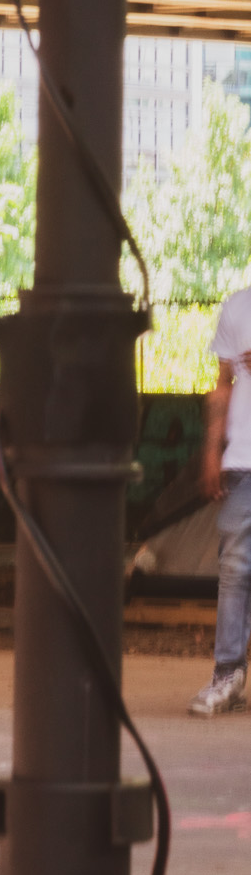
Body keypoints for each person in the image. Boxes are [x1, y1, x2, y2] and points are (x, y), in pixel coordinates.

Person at [191, 281, 251, 715]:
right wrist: (213, 448)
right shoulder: (238, 306)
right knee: (234, 569)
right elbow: (223, 382)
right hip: (243, 460)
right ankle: (228, 673)